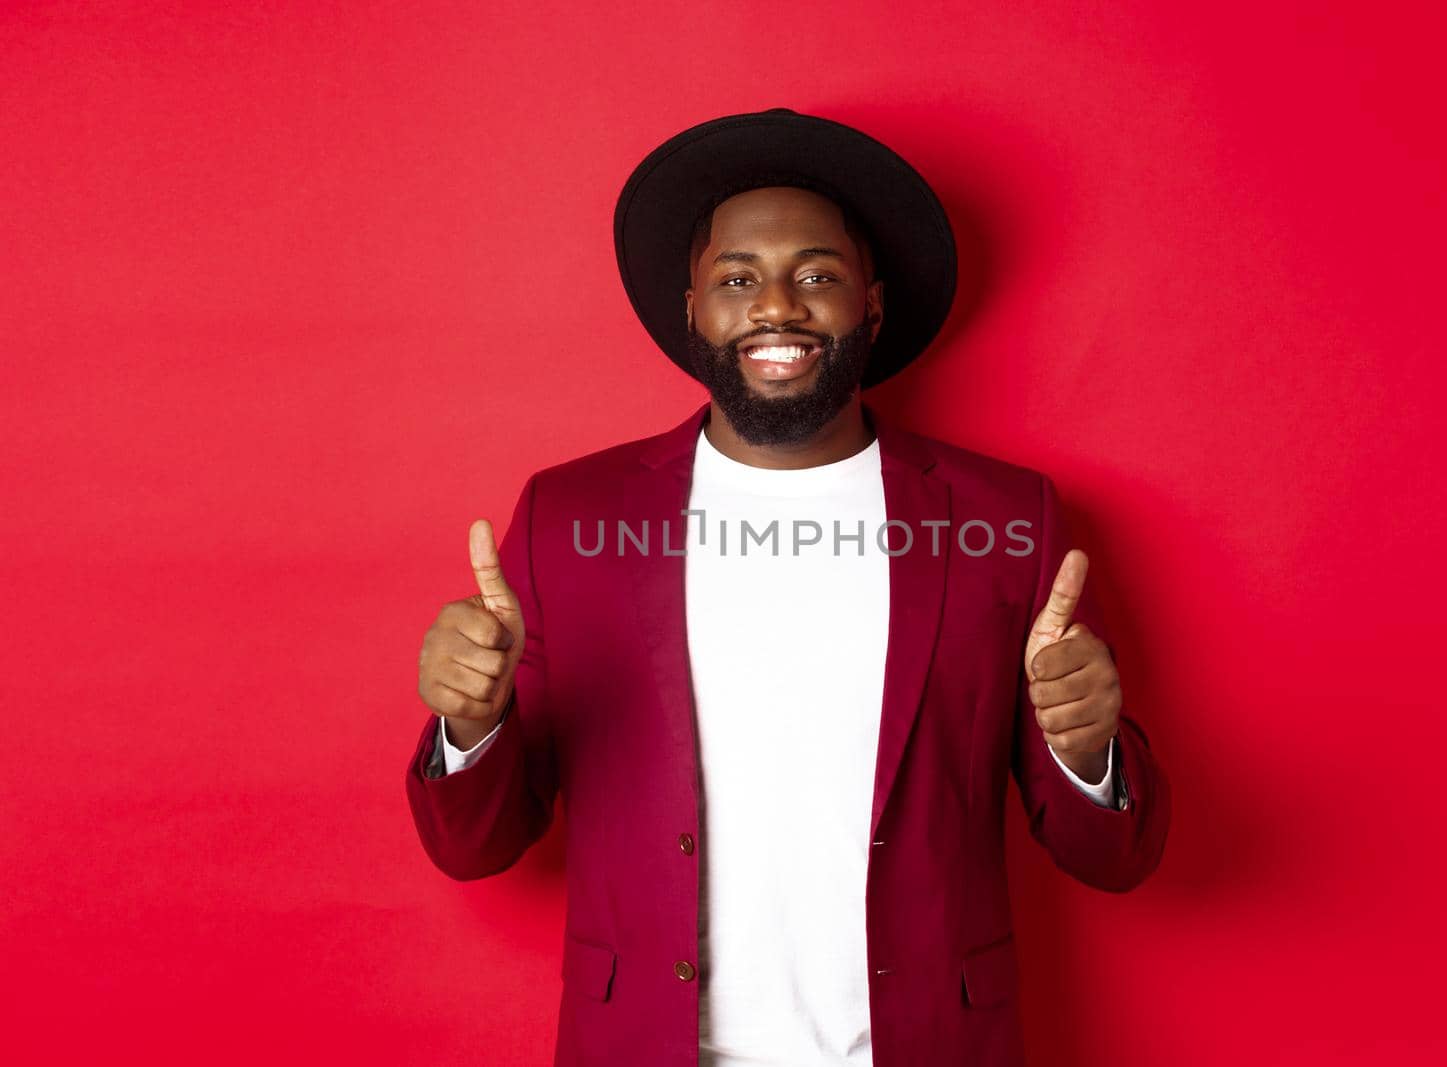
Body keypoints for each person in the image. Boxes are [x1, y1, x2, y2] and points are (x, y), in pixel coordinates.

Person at [407, 107, 1171, 1067]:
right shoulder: (570, 517)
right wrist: (469, 728)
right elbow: (476, 848)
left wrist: (1091, 749)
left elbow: (1115, 860)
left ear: (872, 305)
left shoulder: (1008, 520)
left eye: (817, 275)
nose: (777, 305)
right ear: (693, 309)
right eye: (737, 279)